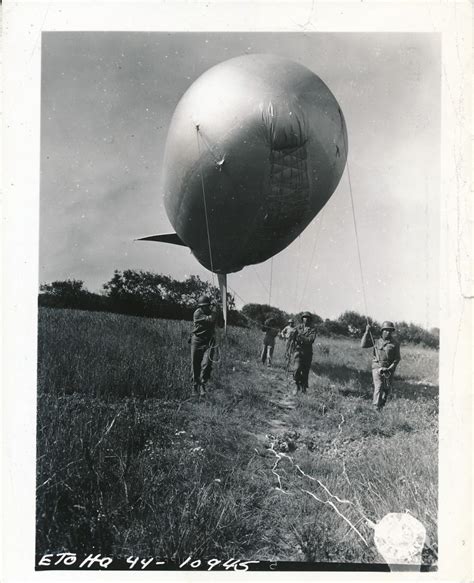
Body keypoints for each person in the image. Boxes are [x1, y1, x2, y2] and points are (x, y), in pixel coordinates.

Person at [361, 321, 401, 410]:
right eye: (386, 330)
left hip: (389, 369)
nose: (388, 332)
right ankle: (376, 408)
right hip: (377, 367)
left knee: (386, 389)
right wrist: (367, 332)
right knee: (378, 386)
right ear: (382, 331)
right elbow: (363, 345)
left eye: (390, 331)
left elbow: (397, 358)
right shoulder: (375, 341)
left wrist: (390, 368)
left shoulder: (395, 344)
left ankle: (381, 405)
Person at [190, 294, 220, 397]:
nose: (205, 307)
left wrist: (218, 309)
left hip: (209, 341)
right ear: (200, 306)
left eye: (207, 305)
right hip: (197, 340)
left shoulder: (213, 312)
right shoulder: (197, 313)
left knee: (207, 364)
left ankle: (203, 384)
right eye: (203, 306)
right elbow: (211, 319)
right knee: (195, 364)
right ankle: (195, 387)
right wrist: (215, 310)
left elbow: (219, 322)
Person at [292, 312, 317, 394]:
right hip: (298, 351)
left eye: (307, 317)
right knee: (296, 369)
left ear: (310, 319)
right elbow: (292, 337)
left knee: (305, 371)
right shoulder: (298, 327)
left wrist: (300, 336)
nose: (306, 318)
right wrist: (292, 334)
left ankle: (303, 387)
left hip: (307, 353)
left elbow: (310, 340)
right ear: (302, 318)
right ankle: (296, 385)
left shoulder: (312, 329)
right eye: (304, 317)